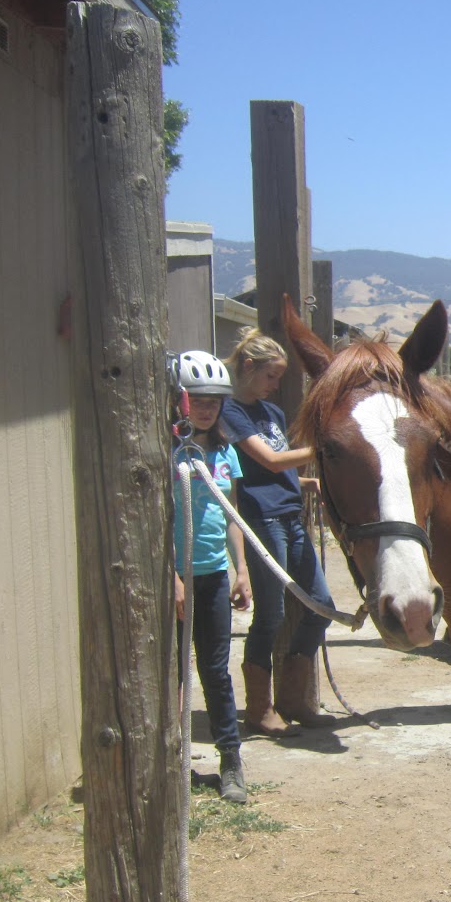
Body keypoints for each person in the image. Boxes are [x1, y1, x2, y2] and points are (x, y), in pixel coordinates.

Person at [221, 328, 336, 732]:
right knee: (270, 615)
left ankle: (292, 700)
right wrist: (326, 448)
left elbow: (278, 468)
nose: (275, 385)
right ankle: (259, 709)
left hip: (289, 516)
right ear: (248, 368)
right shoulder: (230, 412)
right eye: (271, 376)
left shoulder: (271, 413)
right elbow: (269, 461)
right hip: (263, 520)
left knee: (320, 605)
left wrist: (303, 482)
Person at [171, 351, 253, 803]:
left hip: (214, 576)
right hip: (177, 581)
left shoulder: (224, 452)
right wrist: (172, 577)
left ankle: (231, 762)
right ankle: (173, 762)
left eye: (214, 401)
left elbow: (231, 512)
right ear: (180, 400)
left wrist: (241, 569)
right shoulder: (166, 451)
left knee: (215, 671)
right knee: (172, 675)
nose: (206, 408)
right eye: (197, 399)